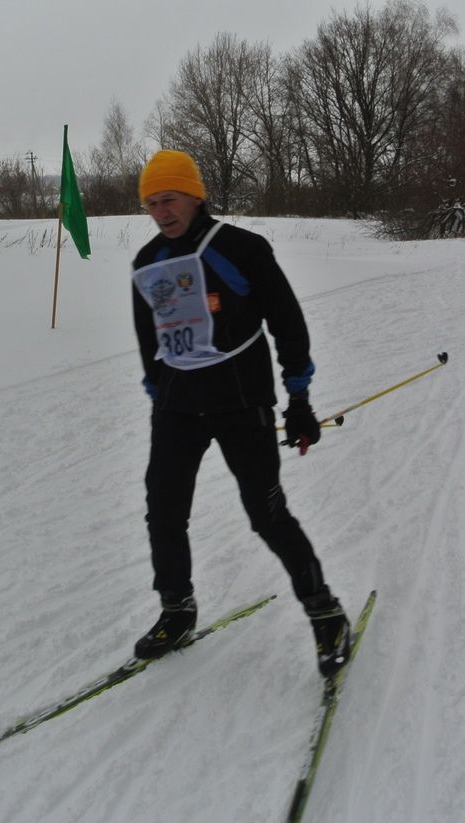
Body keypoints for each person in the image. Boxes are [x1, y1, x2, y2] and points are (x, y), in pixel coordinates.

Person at [129, 149, 351, 679]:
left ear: (195, 194)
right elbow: (148, 334)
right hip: (179, 406)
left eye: (171, 199)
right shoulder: (147, 262)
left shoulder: (241, 249)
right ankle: (177, 608)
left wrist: (298, 399)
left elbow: (288, 323)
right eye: (152, 203)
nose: (162, 211)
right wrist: (157, 390)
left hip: (240, 400)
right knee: (163, 508)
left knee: (266, 513)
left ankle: (326, 613)